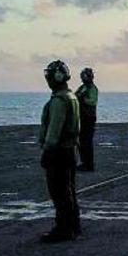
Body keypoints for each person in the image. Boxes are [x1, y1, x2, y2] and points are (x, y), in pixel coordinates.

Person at [39, 60, 81, 242]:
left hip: (58, 152)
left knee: (58, 192)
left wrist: (46, 152)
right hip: (70, 150)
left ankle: (63, 229)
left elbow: (53, 132)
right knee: (69, 190)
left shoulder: (58, 101)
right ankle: (73, 225)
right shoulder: (72, 97)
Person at [75, 67, 98, 172]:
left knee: (87, 141)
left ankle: (89, 165)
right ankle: (84, 162)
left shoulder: (92, 88)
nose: (84, 78)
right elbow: (75, 96)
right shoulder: (82, 87)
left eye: (86, 75)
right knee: (81, 141)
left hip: (89, 117)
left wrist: (82, 99)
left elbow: (92, 101)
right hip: (82, 117)